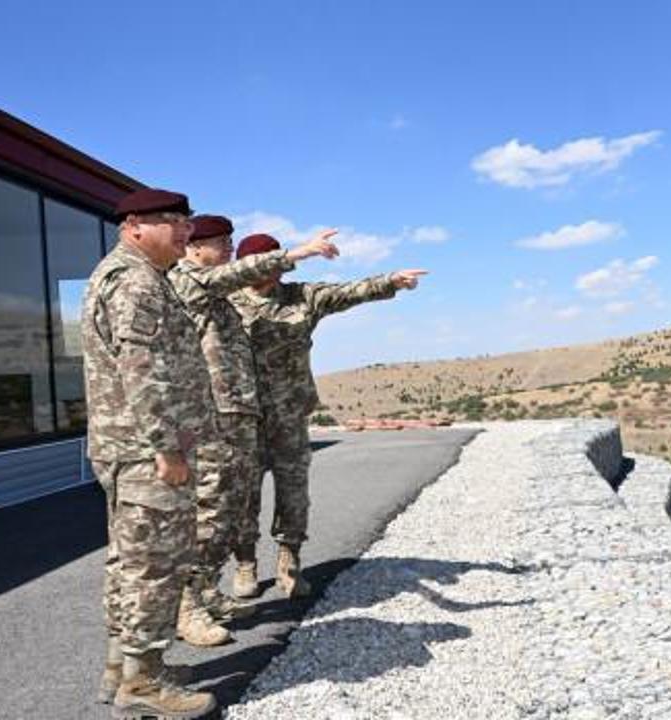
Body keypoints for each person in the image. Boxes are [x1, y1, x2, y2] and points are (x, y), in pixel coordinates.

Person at [166, 215, 339, 644]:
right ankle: (187, 606)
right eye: (220, 242)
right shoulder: (190, 280)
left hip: (241, 414)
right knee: (212, 510)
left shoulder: (220, 290)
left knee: (230, 508)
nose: (228, 246)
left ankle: (206, 593)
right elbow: (241, 272)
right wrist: (296, 253)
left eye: (229, 240)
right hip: (215, 417)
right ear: (194, 249)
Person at [229, 232, 426, 598]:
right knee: (243, 496)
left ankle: (289, 561)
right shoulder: (224, 302)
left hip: (289, 413)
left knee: (293, 492)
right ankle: (245, 564)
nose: (271, 272)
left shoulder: (301, 296)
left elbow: (347, 292)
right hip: (242, 417)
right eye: (263, 263)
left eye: (275, 261)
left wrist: (391, 282)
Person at [81, 188, 216, 718]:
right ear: (133, 225)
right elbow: (143, 374)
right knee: (156, 566)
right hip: (147, 451)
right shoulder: (135, 283)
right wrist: (166, 449)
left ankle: (122, 668)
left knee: (131, 562)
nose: (184, 230)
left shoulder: (137, 277)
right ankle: (144, 686)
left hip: (130, 447)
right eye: (173, 221)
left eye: (187, 222)